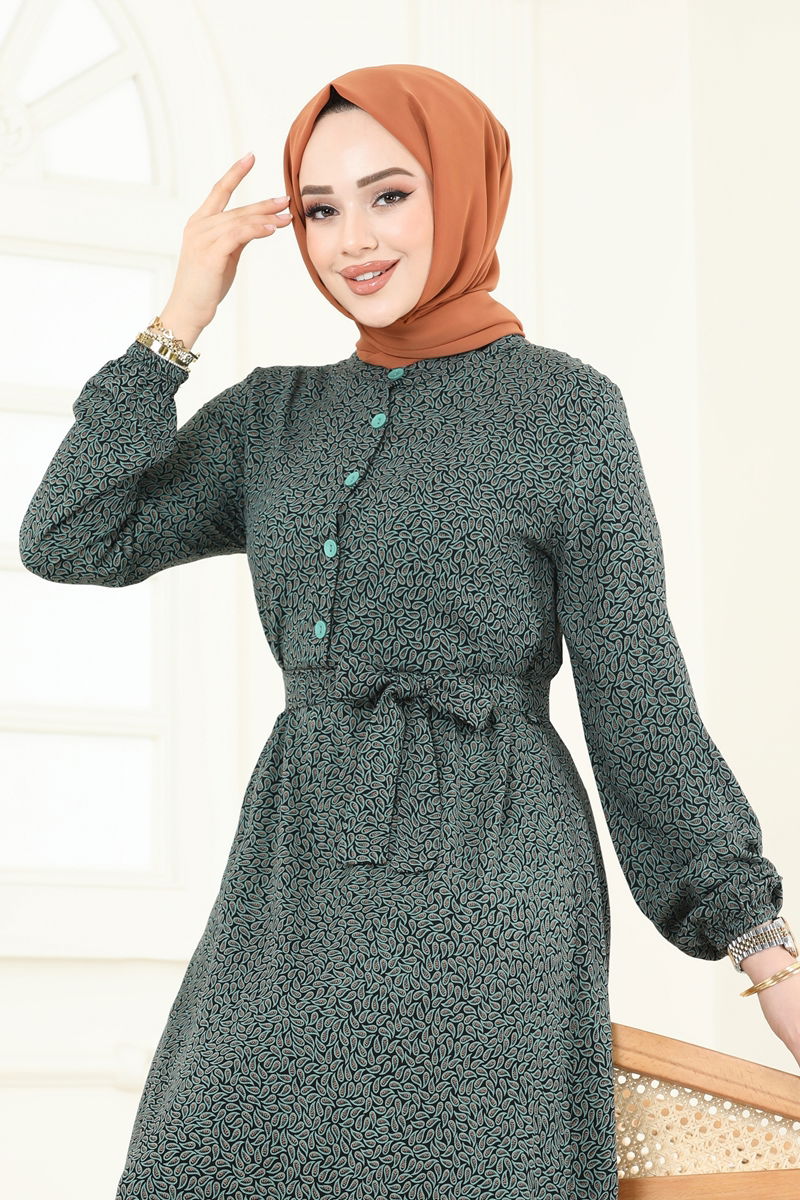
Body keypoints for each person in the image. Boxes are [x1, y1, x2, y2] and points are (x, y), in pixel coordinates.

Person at [17, 62, 800, 1200]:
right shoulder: (272, 418)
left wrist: (761, 949)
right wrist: (180, 317)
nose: (354, 240)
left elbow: (637, 693)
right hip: (295, 873)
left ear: (462, 191)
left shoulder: (567, 412)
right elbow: (70, 535)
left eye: (389, 195)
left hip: (494, 878)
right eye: (320, 209)